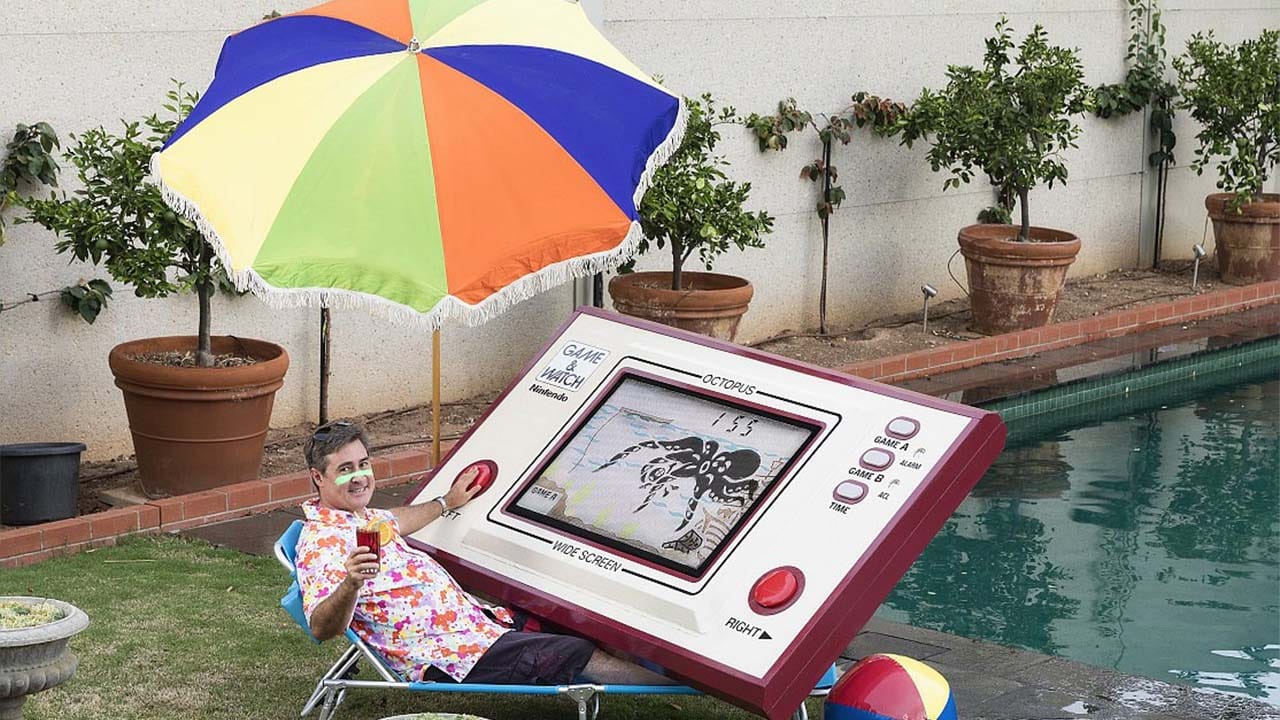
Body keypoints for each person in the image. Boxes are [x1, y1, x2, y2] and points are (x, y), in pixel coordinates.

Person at [296, 419, 674, 686]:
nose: (360, 477)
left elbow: (399, 519)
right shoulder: (322, 543)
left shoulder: (364, 519)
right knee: (574, 650)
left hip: (479, 623)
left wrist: (447, 501)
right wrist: (351, 583)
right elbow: (322, 628)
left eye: (364, 464)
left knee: (576, 617)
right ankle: (687, 688)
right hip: (449, 656)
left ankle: (673, 670)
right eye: (345, 470)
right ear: (318, 477)